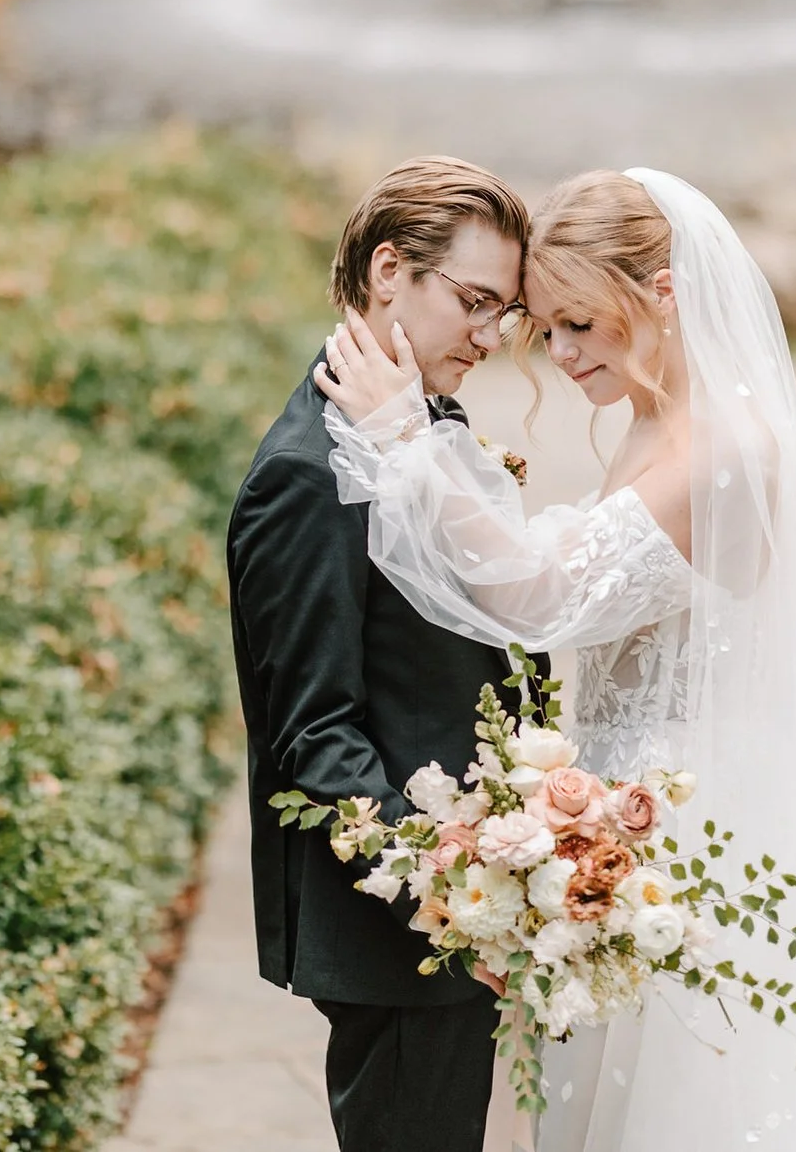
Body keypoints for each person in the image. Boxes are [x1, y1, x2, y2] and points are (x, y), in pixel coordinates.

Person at [313, 167, 796, 1152]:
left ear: (660, 293)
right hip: (627, 827)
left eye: (578, 323)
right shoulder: (655, 420)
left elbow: (541, 594)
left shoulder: (726, 449)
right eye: (546, 328)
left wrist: (406, 440)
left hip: (704, 841)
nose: (560, 355)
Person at [226, 155, 539, 1152]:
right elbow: (314, 735)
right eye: (475, 301)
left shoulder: (404, 431)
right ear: (388, 269)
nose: (491, 337)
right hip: (404, 936)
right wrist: (454, 894)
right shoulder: (308, 474)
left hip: (455, 914)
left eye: (507, 312)